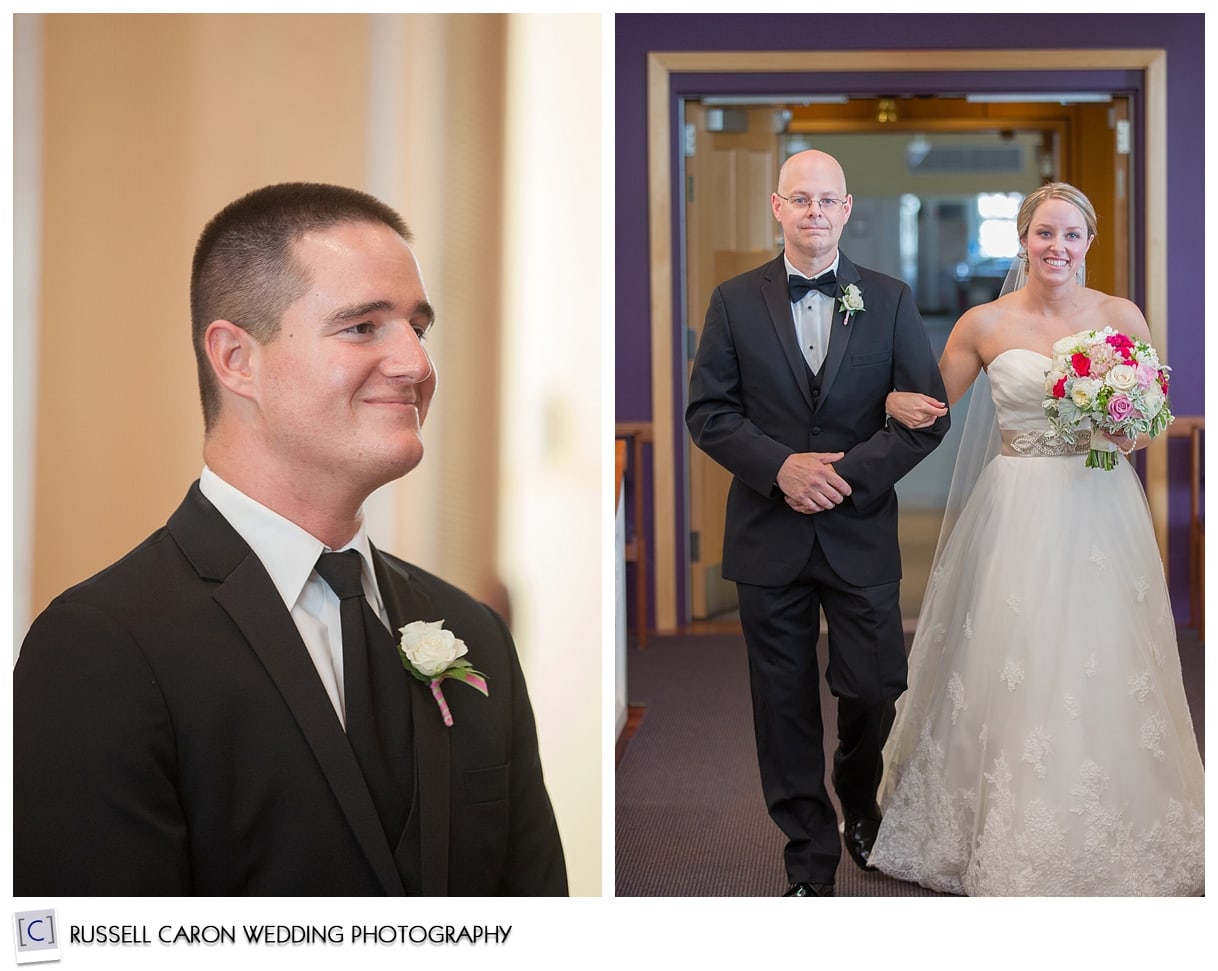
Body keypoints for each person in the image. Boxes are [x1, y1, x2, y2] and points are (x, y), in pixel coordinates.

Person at [14, 182, 568, 896]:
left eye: (417, 328)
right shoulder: (104, 645)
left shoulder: (474, 632)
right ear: (236, 359)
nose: (416, 365)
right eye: (364, 326)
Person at [871, 182, 1205, 895]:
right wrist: (891, 399)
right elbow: (931, 407)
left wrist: (1128, 428)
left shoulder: (1121, 315)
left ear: (1089, 243)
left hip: (1100, 498)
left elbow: (1150, 422)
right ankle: (1001, 826)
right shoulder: (985, 323)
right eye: (1044, 233)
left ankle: (1111, 823)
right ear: (1024, 239)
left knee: (1104, 652)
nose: (1057, 247)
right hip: (1018, 503)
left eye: (1071, 235)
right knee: (1016, 654)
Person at [686, 150, 950, 896]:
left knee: (873, 688)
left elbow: (927, 418)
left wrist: (840, 476)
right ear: (777, 207)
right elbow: (709, 413)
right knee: (783, 702)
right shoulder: (734, 301)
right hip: (768, 535)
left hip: (859, 529)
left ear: (846, 208)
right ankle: (807, 854)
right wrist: (781, 468)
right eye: (799, 199)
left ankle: (857, 795)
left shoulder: (890, 299)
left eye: (825, 199)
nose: (813, 211)